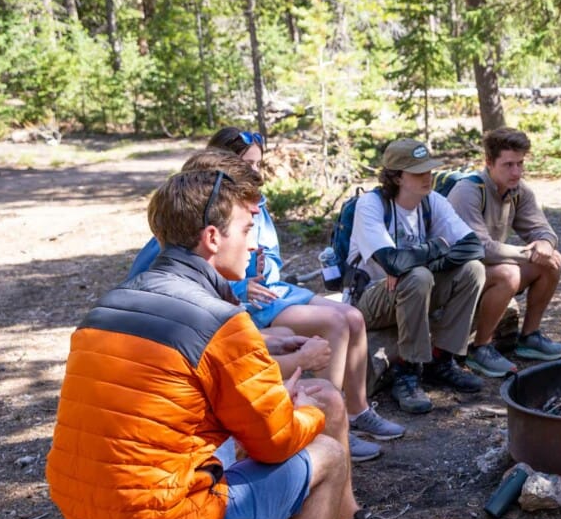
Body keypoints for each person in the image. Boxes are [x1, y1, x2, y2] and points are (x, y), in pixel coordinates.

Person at [47, 169, 412, 519]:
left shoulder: (109, 305)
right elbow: (276, 442)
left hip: (87, 516)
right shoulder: (222, 321)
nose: (253, 243)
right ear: (212, 237)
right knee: (325, 452)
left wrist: (271, 376)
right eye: (246, 229)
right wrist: (304, 408)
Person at [128, 130, 406, 464]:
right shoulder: (175, 265)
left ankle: (351, 414)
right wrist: (297, 359)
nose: (257, 179)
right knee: (323, 329)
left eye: (258, 165)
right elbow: (214, 358)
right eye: (247, 167)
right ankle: (329, 426)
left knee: (349, 318)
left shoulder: (242, 219)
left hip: (268, 296)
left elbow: (265, 261)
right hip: (179, 449)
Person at [349, 138, 486, 414]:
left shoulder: (431, 201)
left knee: (473, 270)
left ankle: (442, 358)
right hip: (370, 300)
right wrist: (436, 247)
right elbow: (391, 261)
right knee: (417, 276)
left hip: (413, 286)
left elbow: (474, 246)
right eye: (419, 172)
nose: (428, 177)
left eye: (430, 170)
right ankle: (407, 371)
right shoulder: (372, 205)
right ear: (398, 177)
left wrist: (421, 264)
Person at [447, 127, 561, 378]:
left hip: (486, 270)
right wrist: (529, 253)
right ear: (489, 163)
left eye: (520, 163)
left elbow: (542, 229)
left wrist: (545, 245)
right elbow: (478, 248)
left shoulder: (518, 191)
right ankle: (480, 348)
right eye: (508, 165)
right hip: (456, 278)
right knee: (508, 273)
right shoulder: (467, 192)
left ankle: (529, 337)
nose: (516, 171)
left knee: (550, 263)